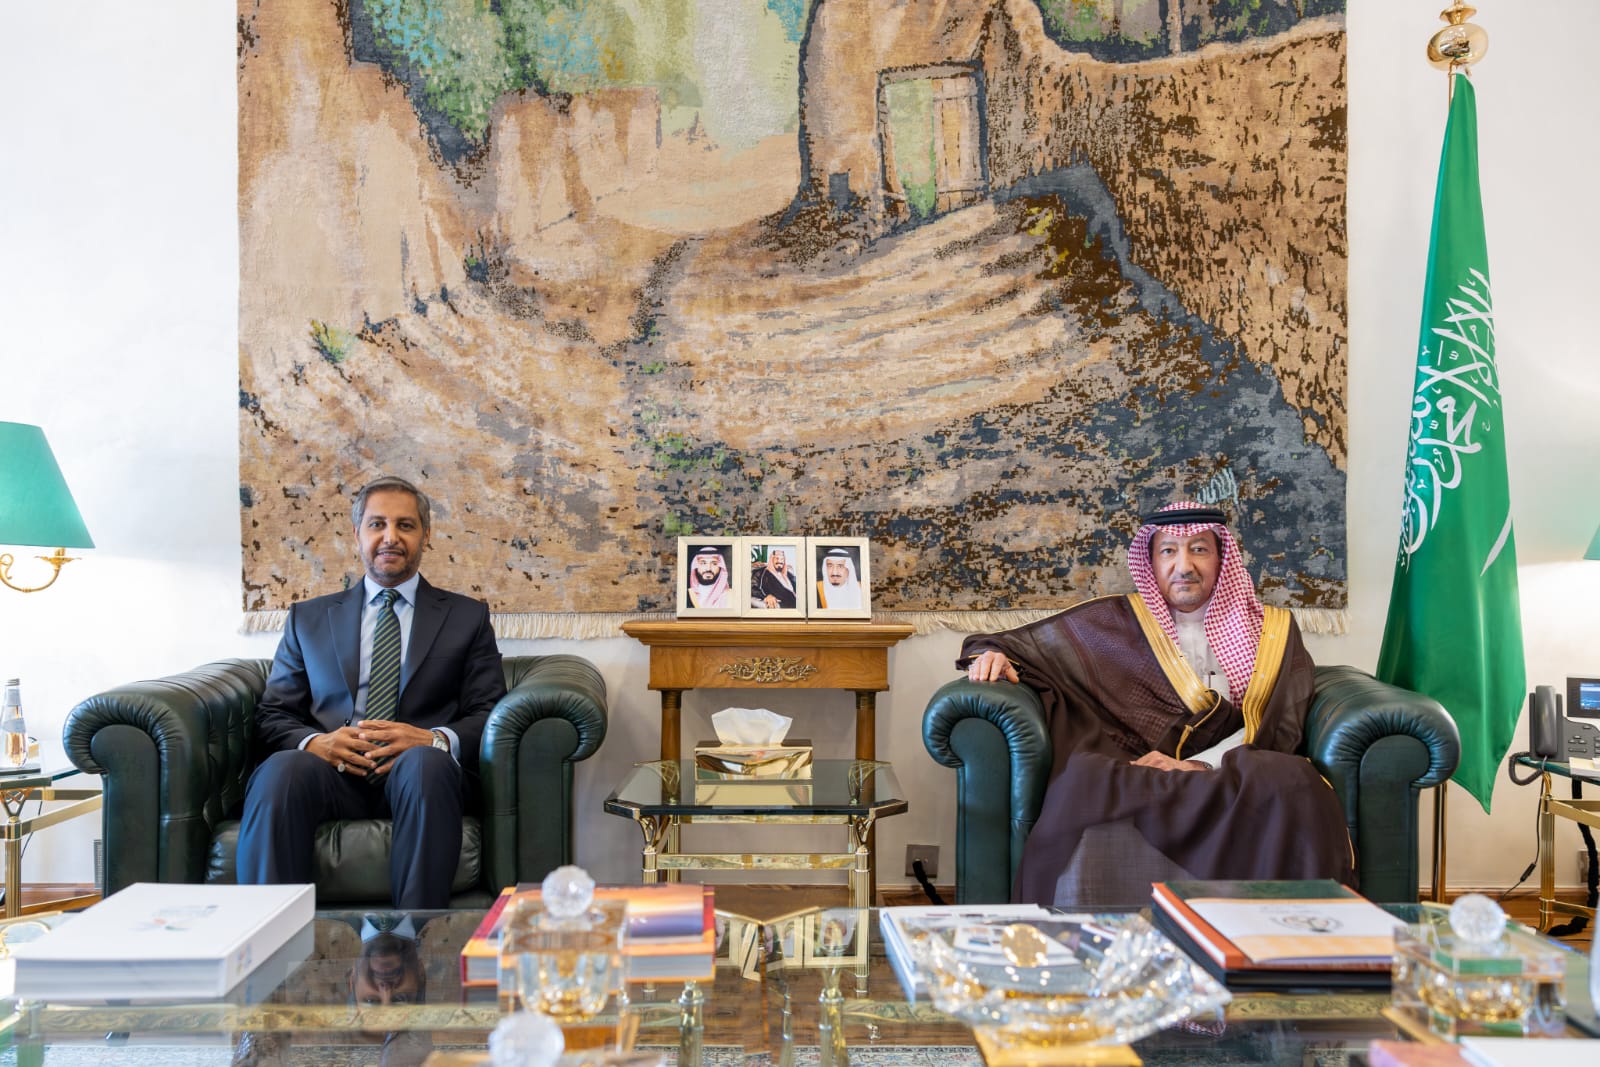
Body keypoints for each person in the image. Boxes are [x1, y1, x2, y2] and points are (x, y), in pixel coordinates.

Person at [960, 501, 1354, 905]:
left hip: (1231, 769)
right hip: (1142, 764)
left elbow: (1282, 720)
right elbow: (1022, 647)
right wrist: (994, 656)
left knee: (1292, 779)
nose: (1184, 566)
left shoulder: (1272, 630)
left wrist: (1200, 764)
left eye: (1199, 549)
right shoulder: (1115, 623)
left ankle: (1276, 926)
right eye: (1168, 551)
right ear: (1150, 561)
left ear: (1222, 558)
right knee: (1087, 780)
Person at [237, 476, 506, 909]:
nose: (390, 537)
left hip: (419, 778)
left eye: (406, 525)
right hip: (332, 775)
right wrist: (316, 743)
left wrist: (433, 739)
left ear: (426, 535)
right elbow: (274, 714)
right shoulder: (309, 619)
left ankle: (414, 936)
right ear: (357, 534)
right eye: (377, 524)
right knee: (281, 769)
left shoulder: (466, 617)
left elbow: (488, 712)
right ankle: (266, 937)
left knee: (425, 764)